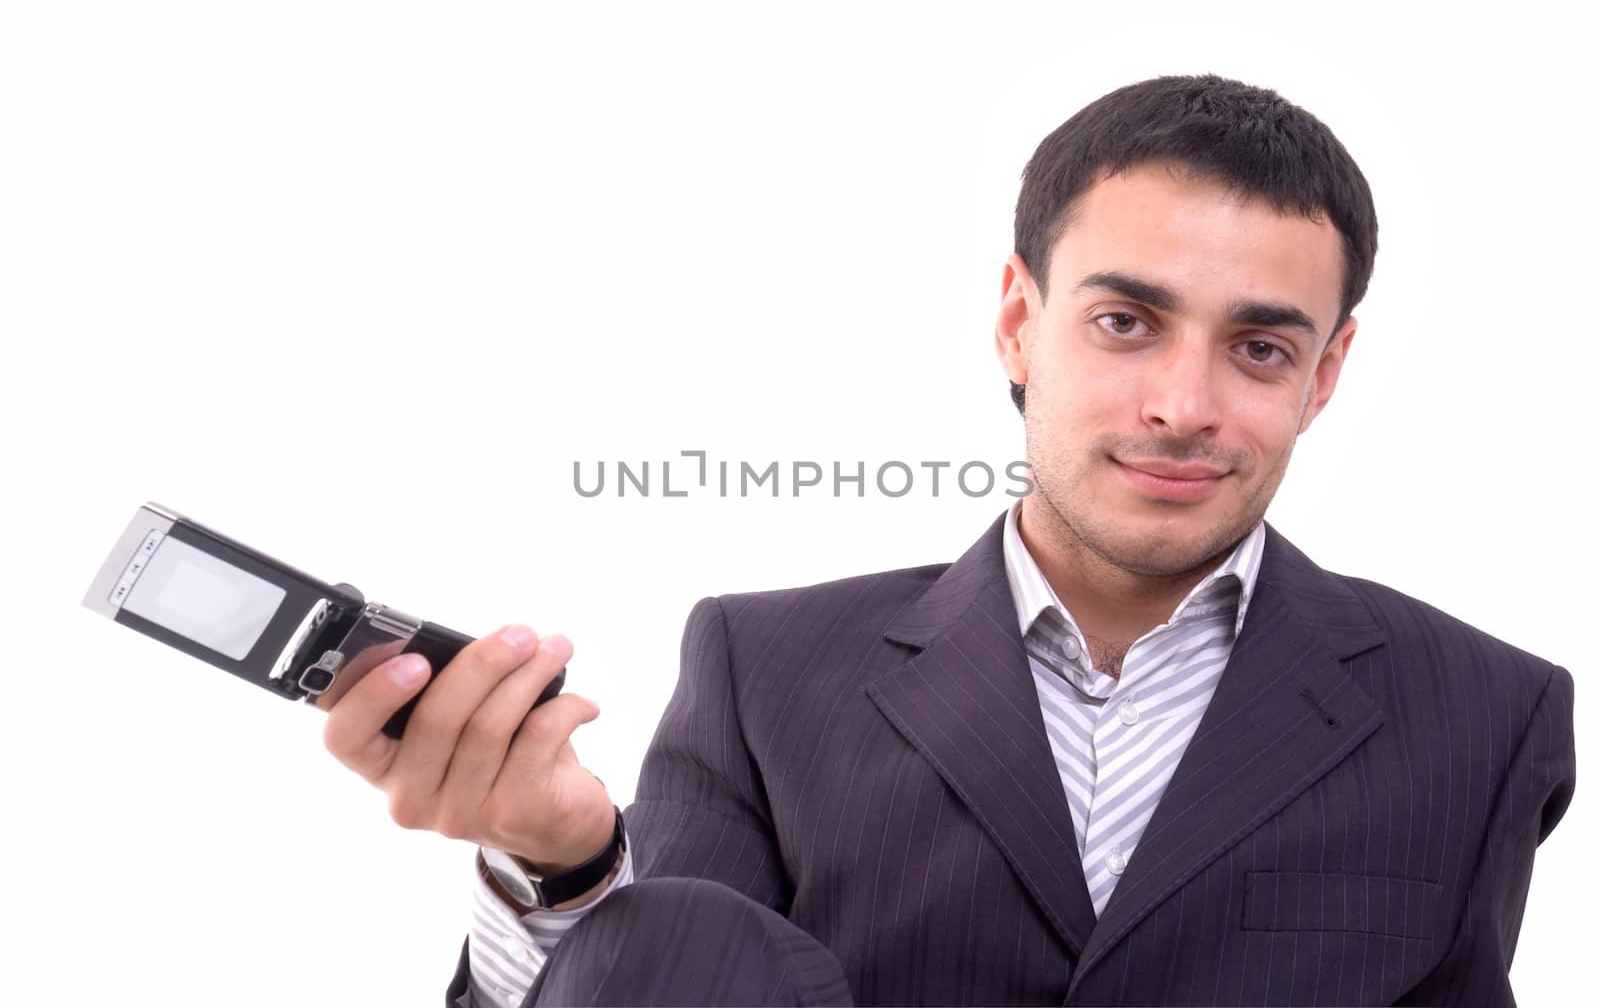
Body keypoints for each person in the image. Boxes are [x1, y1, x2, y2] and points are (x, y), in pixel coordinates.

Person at [323, 73, 1577, 1007]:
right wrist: (567, 867)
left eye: (1258, 347)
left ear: (1325, 372)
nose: (1183, 406)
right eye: (1127, 322)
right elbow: (666, 979)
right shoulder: (766, 668)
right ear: (1019, 324)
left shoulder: (1479, 709)